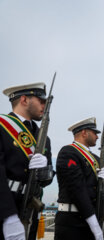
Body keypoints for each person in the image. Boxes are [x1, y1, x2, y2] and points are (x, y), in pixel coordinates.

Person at [0, 82, 53, 240]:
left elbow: (46, 180)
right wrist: (8, 215)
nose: (44, 105)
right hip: (5, 206)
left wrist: (45, 170)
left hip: (30, 207)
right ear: (24, 100)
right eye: (41, 101)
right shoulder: (2, 127)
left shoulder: (44, 137)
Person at [55, 117, 104, 240]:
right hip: (72, 221)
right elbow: (77, 188)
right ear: (84, 132)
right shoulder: (68, 152)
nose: (97, 137)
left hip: (92, 218)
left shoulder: (96, 158)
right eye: (95, 133)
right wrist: (93, 222)